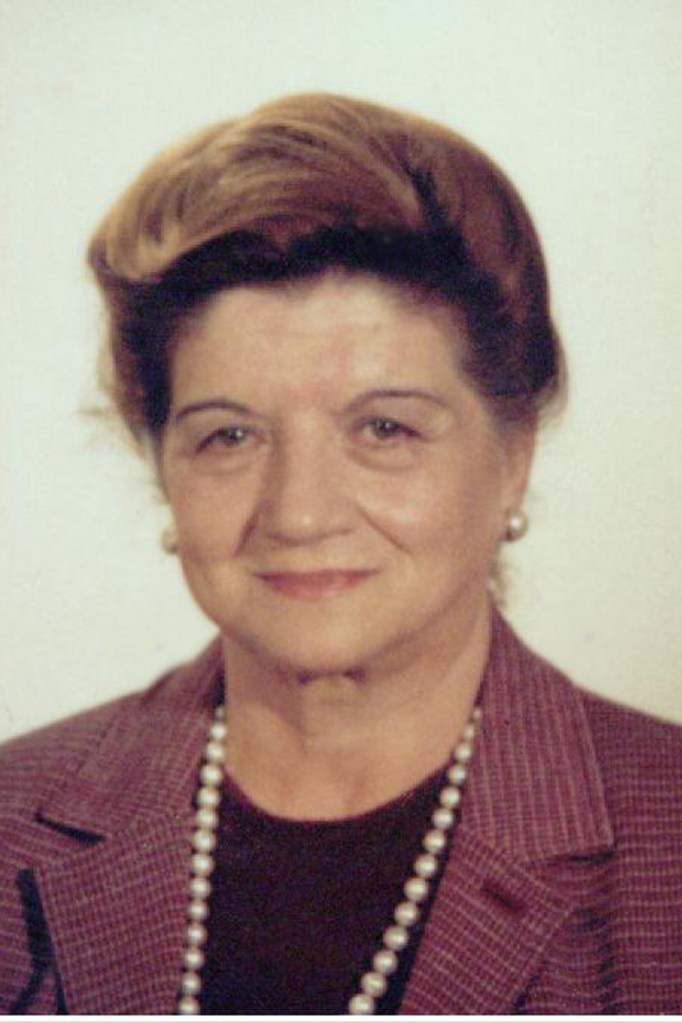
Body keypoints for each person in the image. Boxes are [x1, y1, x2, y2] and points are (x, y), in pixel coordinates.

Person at [1, 93, 681, 1018]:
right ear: (163, 466)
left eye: (385, 428)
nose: (300, 512)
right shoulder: (12, 819)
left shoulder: (665, 843)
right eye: (229, 435)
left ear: (513, 455)